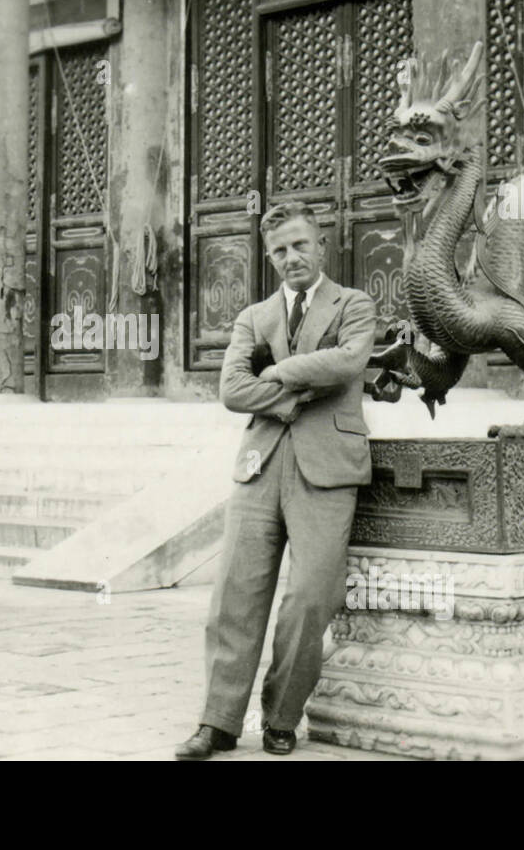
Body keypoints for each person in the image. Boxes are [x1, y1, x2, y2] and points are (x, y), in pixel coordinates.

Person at [175, 201, 376, 760]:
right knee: (233, 597)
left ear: (322, 246)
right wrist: (295, 393)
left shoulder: (354, 304)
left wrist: (278, 370)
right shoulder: (254, 317)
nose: (291, 258)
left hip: (329, 467)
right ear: (270, 258)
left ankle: (282, 716)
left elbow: (349, 361)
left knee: (312, 596)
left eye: (300, 245)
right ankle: (217, 722)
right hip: (258, 465)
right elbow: (232, 391)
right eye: (280, 251)